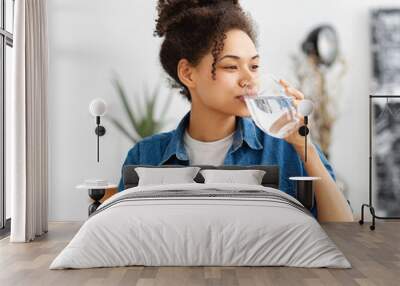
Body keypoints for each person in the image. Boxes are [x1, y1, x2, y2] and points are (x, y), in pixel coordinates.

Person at [117, 0, 353, 222]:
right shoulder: (145, 157)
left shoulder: (288, 149)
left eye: (254, 66)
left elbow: (345, 232)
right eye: (231, 66)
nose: (249, 79)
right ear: (188, 73)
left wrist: (305, 148)